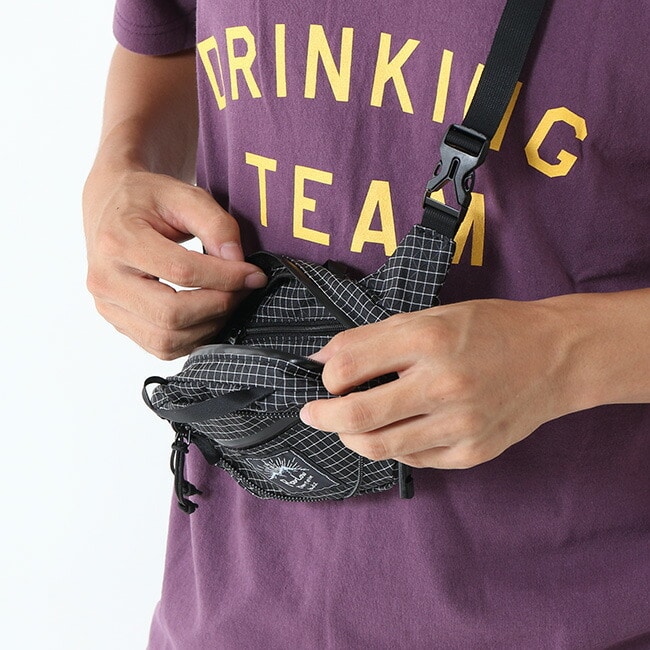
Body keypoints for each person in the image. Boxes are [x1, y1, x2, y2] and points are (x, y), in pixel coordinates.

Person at [83, 0, 650, 647]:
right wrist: (116, 179)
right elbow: (163, 39)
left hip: (563, 610)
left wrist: (563, 355)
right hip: (224, 611)